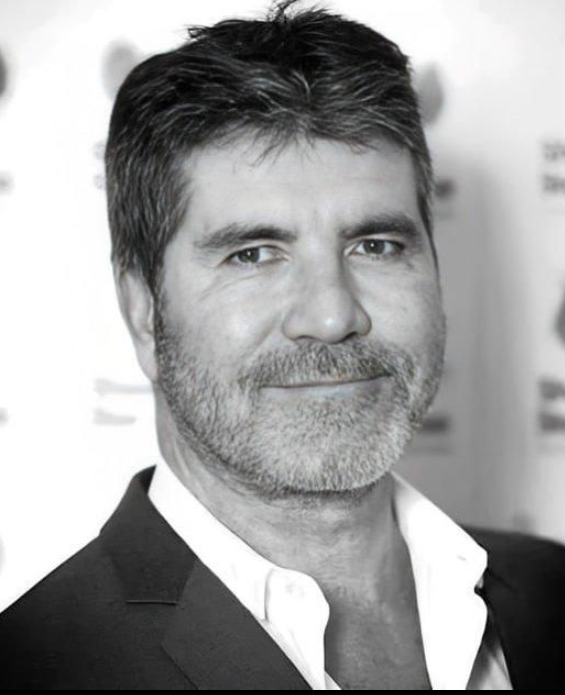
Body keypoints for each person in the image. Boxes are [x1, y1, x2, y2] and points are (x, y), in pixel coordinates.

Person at [1, 0, 564, 689]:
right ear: (144, 312)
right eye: (253, 254)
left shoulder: (550, 592)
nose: (331, 315)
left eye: (376, 245)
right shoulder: (34, 666)